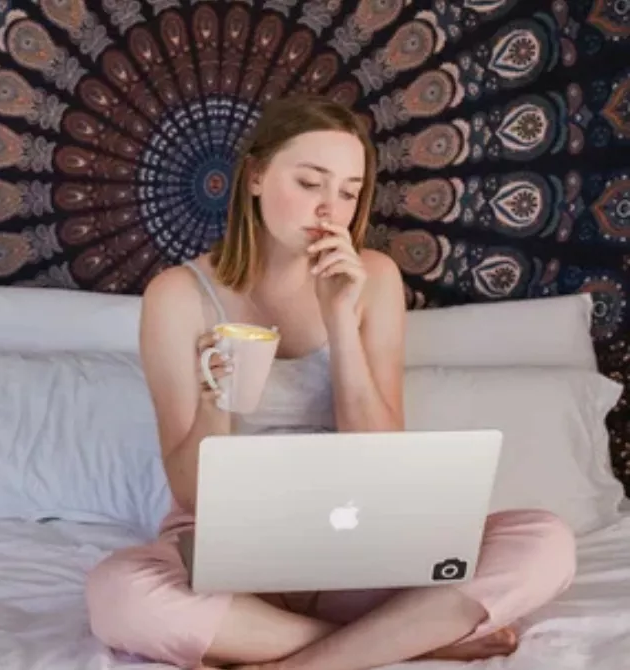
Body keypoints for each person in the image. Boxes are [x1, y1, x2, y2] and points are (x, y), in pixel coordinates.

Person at [85, 94, 577, 670]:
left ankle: (303, 657)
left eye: (347, 192)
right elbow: (192, 492)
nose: (329, 210)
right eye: (311, 182)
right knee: (117, 595)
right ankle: (411, 640)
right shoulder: (178, 294)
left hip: (359, 537)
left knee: (545, 542)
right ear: (256, 176)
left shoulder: (373, 278)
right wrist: (216, 400)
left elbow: (384, 460)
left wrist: (341, 321)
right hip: (228, 548)